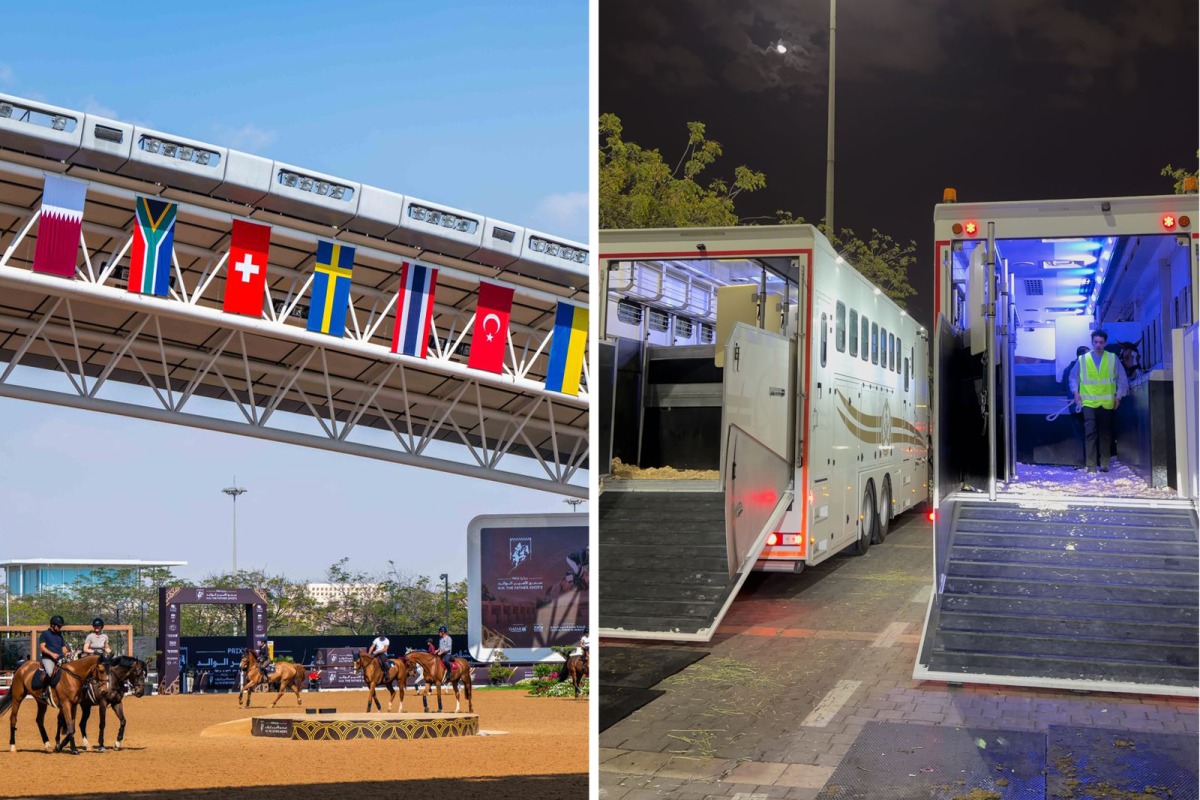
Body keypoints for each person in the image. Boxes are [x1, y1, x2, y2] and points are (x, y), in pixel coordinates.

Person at [1070, 328, 1129, 473]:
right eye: (1095, 342)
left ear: (1105, 343)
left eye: (1101, 342)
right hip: (1088, 402)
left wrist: (1118, 396)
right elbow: (1073, 376)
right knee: (1090, 433)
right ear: (1091, 342)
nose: (1098, 344)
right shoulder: (1083, 359)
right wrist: (1075, 392)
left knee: (1105, 434)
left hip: (1107, 403)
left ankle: (1104, 463)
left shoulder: (1112, 358)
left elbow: (1122, 379)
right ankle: (1091, 465)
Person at [37, 615, 70, 708]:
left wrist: (67, 653)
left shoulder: (60, 635)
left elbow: (63, 648)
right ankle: (44, 692)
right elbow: (42, 647)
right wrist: (52, 654)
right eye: (59, 626)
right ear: (52, 625)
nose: (60, 628)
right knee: (50, 672)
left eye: (61, 626)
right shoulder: (45, 634)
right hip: (48, 659)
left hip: (59, 658)